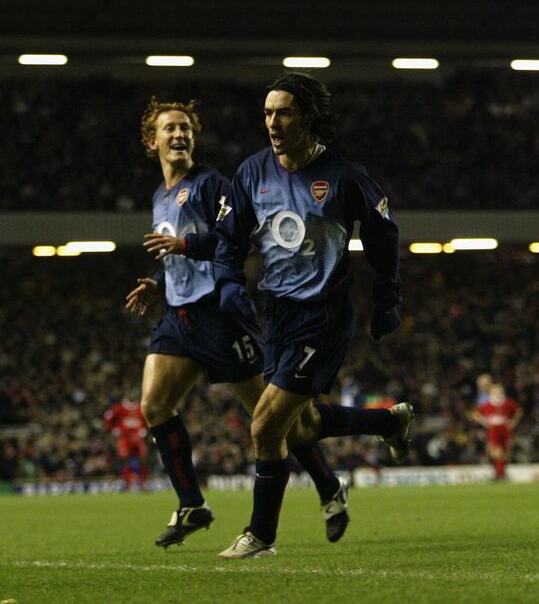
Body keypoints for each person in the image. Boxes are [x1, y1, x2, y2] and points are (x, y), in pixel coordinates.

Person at [126, 97, 353, 549]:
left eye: (185, 128)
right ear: (152, 142)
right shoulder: (160, 196)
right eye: (169, 129)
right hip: (177, 314)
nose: (179, 135)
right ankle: (192, 504)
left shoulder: (211, 185)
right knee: (153, 406)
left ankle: (330, 489)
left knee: (274, 419)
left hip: (217, 315)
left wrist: (189, 249)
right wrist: (157, 280)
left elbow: (233, 240)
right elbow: (173, 250)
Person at [214, 72, 413, 559]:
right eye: (267, 113)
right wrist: (227, 284)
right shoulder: (251, 172)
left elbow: (384, 232)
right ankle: (388, 423)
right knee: (299, 429)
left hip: (322, 314)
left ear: (306, 116)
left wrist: (387, 296)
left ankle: (260, 536)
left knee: (265, 427)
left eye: (283, 112)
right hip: (276, 314)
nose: (273, 123)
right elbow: (229, 240)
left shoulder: (344, 175)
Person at [470, 383, 522, 481]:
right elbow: (475, 414)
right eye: (495, 390)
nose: (497, 392)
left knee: (505, 453)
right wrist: (485, 422)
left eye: (499, 390)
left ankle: (500, 473)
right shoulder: (488, 403)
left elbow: (519, 411)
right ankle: (500, 474)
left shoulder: (507, 402)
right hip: (494, 429)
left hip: (505, 428)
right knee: (496, 452)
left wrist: (513, 422)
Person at [103, 397, 149, 490]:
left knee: (143, 459)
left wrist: (145, 428)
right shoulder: (119, 408)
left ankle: (144, 483)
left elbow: (149, 418)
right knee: (125, 460)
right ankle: (128, 483)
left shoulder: (141, 407)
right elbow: (107, 416)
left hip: (137, 438)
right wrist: (113, 429)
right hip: (125, 438)